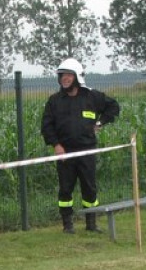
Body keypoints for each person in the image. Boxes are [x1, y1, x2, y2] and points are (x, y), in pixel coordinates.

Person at [40, 58, 121, 234]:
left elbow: (114, 107)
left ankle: (91, 223)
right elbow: (46, 126)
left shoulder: (92, 96)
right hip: (65, 153)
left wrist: (100, 122)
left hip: (87, 151)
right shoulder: (54, 101)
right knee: (65, 189)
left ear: (77, 77)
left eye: (68, 75)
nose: (65, 78)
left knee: (89, 188)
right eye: (62, 75)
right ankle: (67, 224)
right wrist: (56, 145)